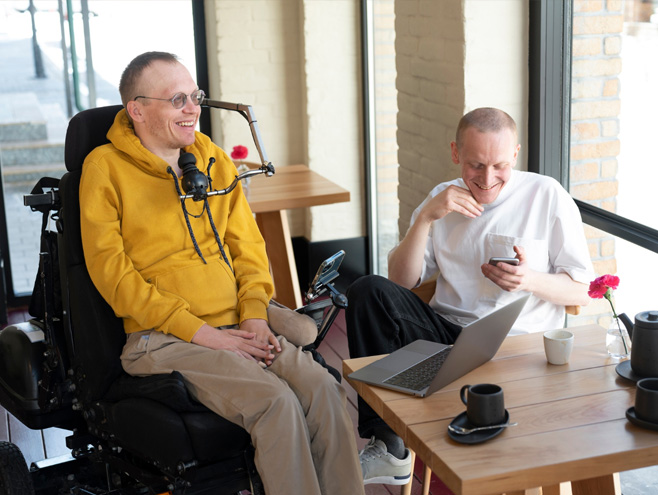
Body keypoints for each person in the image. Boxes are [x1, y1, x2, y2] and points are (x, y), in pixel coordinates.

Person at [79, 51, 365, 495]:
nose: (193, 108)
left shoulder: (210, 158)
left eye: (195, 96)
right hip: (165, 337)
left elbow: (249, 247)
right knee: (275, 403)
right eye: (177, 99)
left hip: (240, 323)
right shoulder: (103, 169)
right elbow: (114, 277)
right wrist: (204, 334)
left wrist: (253, 314)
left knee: (324, 390)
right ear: (137, 109)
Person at [346, 107, 594, 485]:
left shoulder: (546, 195)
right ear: (456, 153)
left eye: (499, 165)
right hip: (448, 336)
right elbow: (400, 280)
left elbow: (583, 291)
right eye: (476, 165)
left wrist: (529, 280)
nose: (488, 178)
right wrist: (426, 217)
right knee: (366, 290)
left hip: (517, 347)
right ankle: (390, 446)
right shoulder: (440, 199)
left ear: (516, 154)